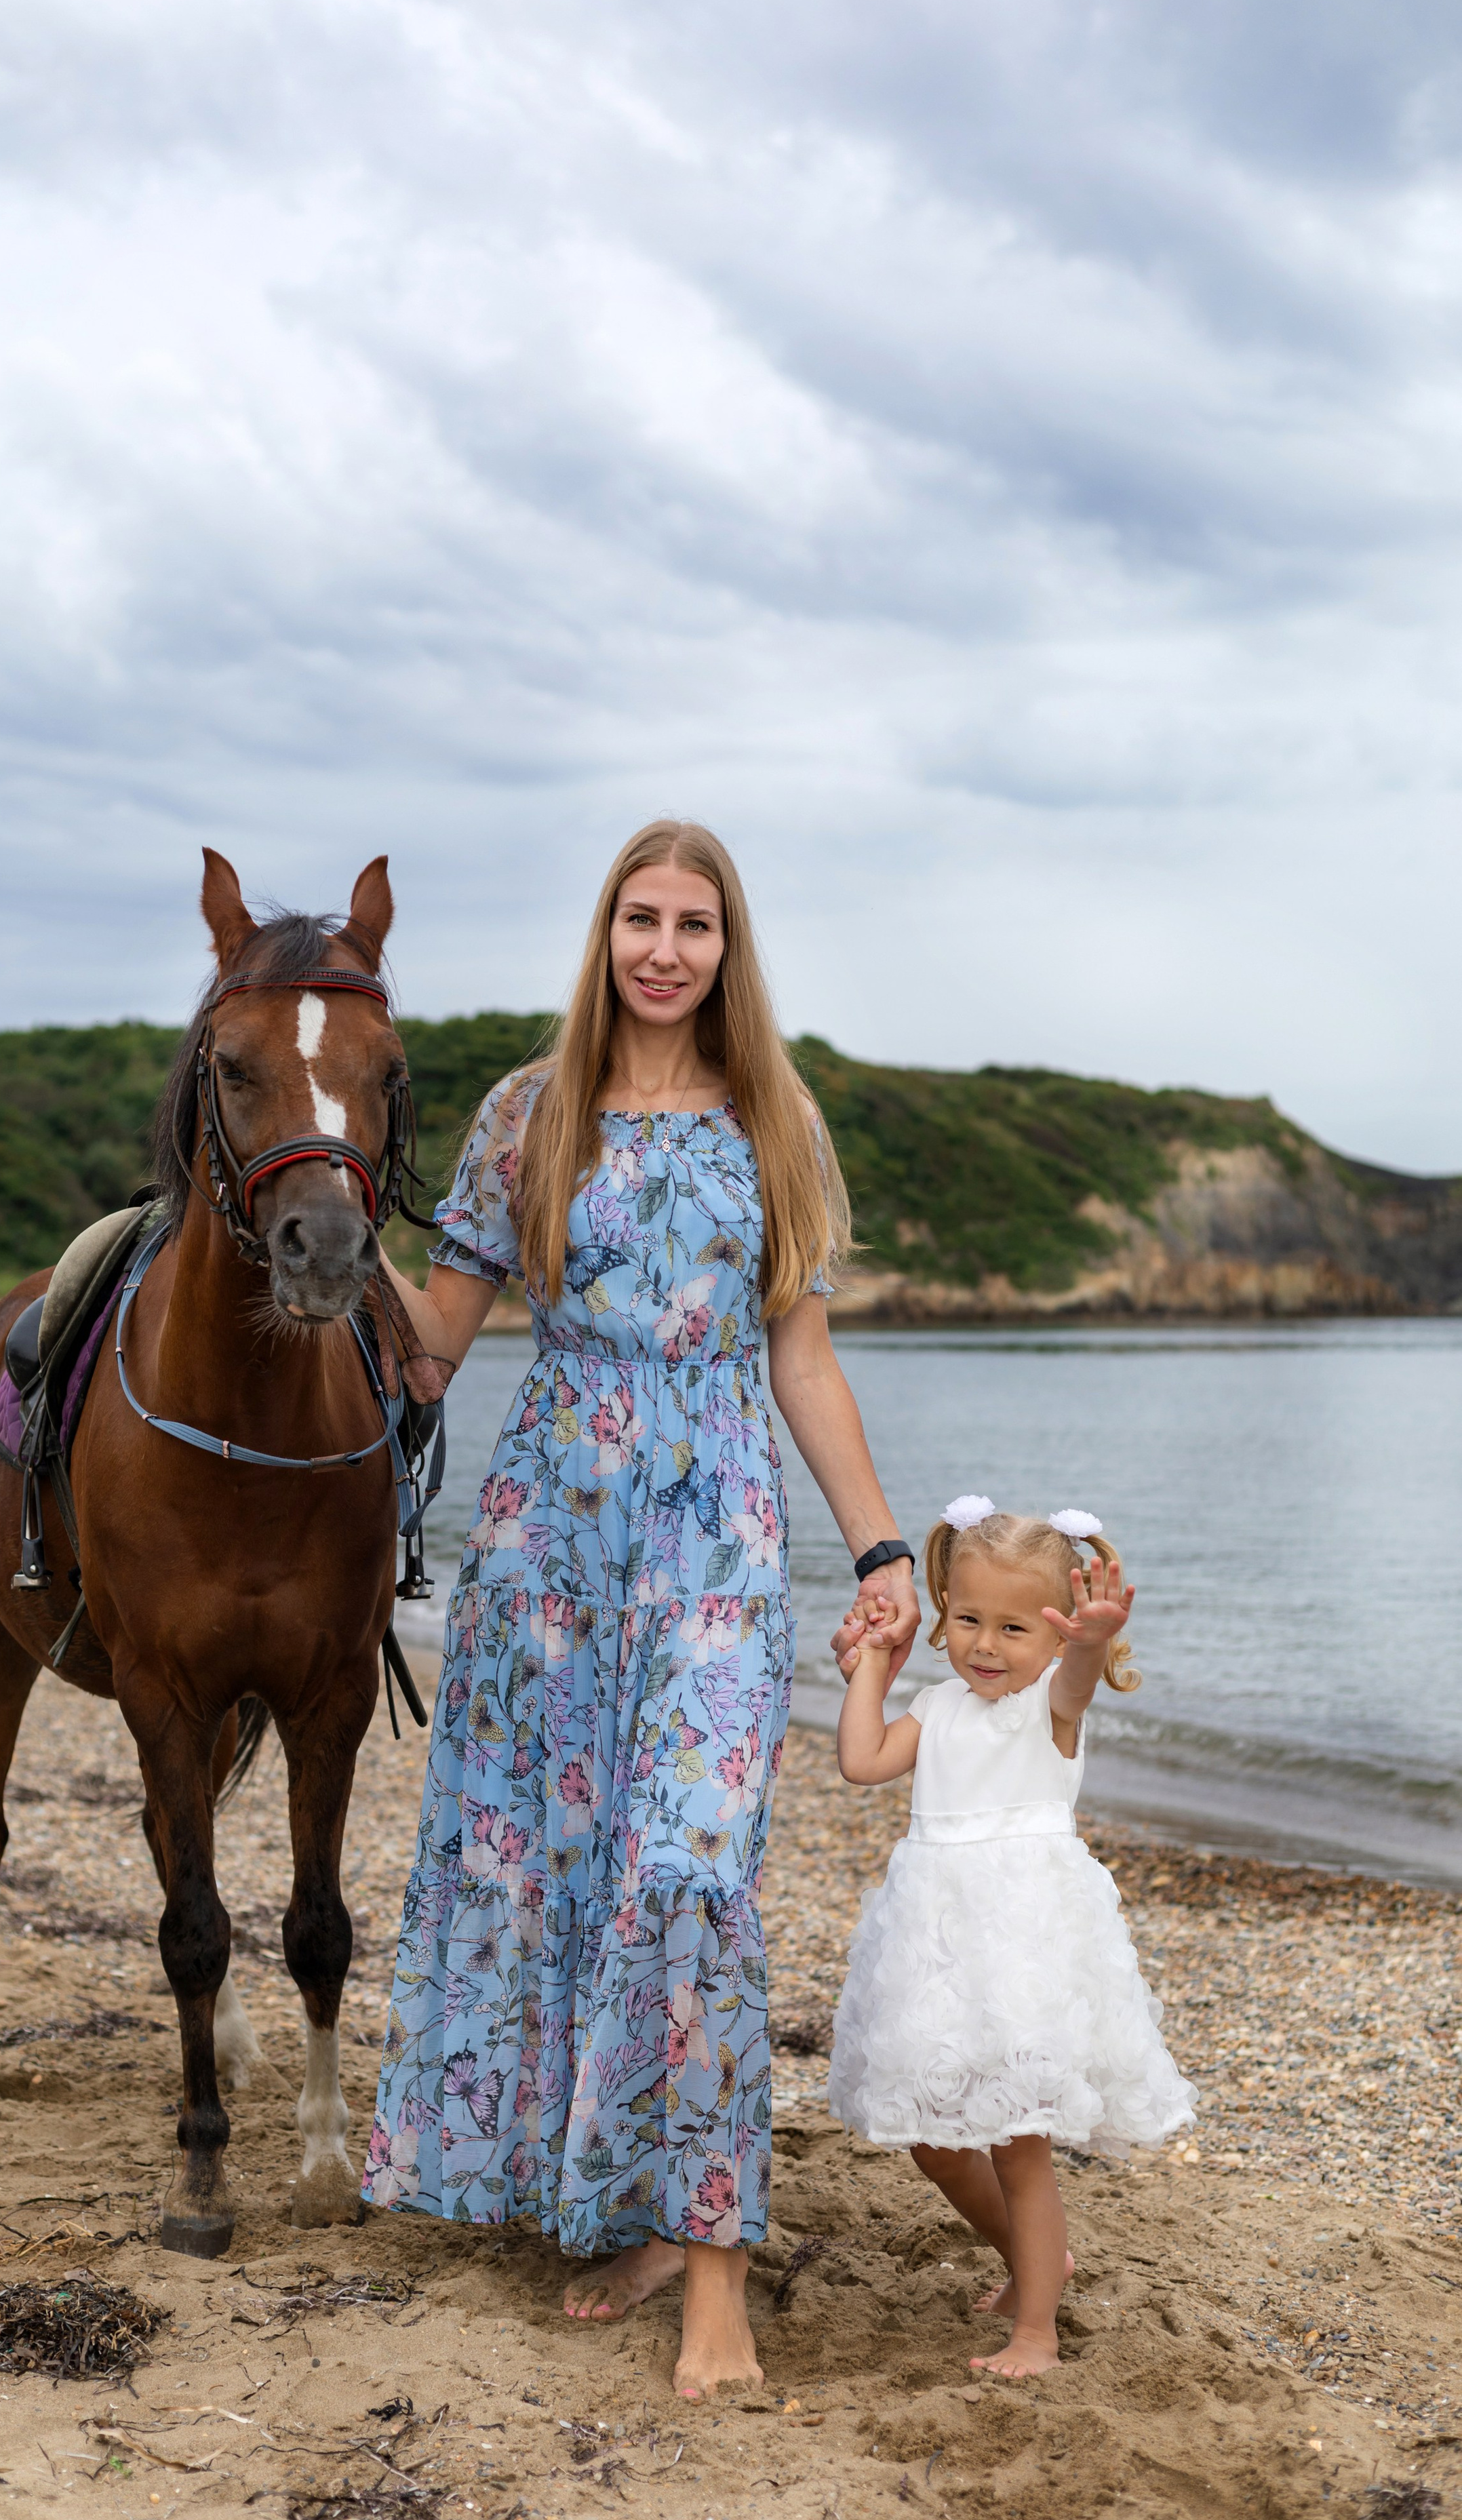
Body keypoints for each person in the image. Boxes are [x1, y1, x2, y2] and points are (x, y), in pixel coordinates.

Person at [361, 817, 921, 2399]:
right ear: (602, 936)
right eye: (638, 918)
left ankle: (715, 2281)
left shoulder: (772, 1123)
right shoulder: (525, 1116)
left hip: (716, 1547)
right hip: (545, 1555)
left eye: (693, 923)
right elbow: (432, 1345)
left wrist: (880, 1552)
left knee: (685, 1871)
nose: (664, 947)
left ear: (728, 949)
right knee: (562, 1869)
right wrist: (328, 1226)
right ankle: (642, 2209)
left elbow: (800, 1356)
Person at [825, 1497, 1198, 2378]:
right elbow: (862, 1758)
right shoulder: (938, 1708)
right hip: (939, 1953)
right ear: (944, 1609)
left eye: (1014, 1627)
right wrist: (872, 1663)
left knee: (1018, 2143)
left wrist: (1091, 1644)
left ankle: (1038, 2327)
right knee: (933, 2139)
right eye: (967, 1619)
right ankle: (1039, 2265)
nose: (987, 1644)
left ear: (1055, 1627)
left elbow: (1072, 1678)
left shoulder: (1049, 1711)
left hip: (1023, 1954)